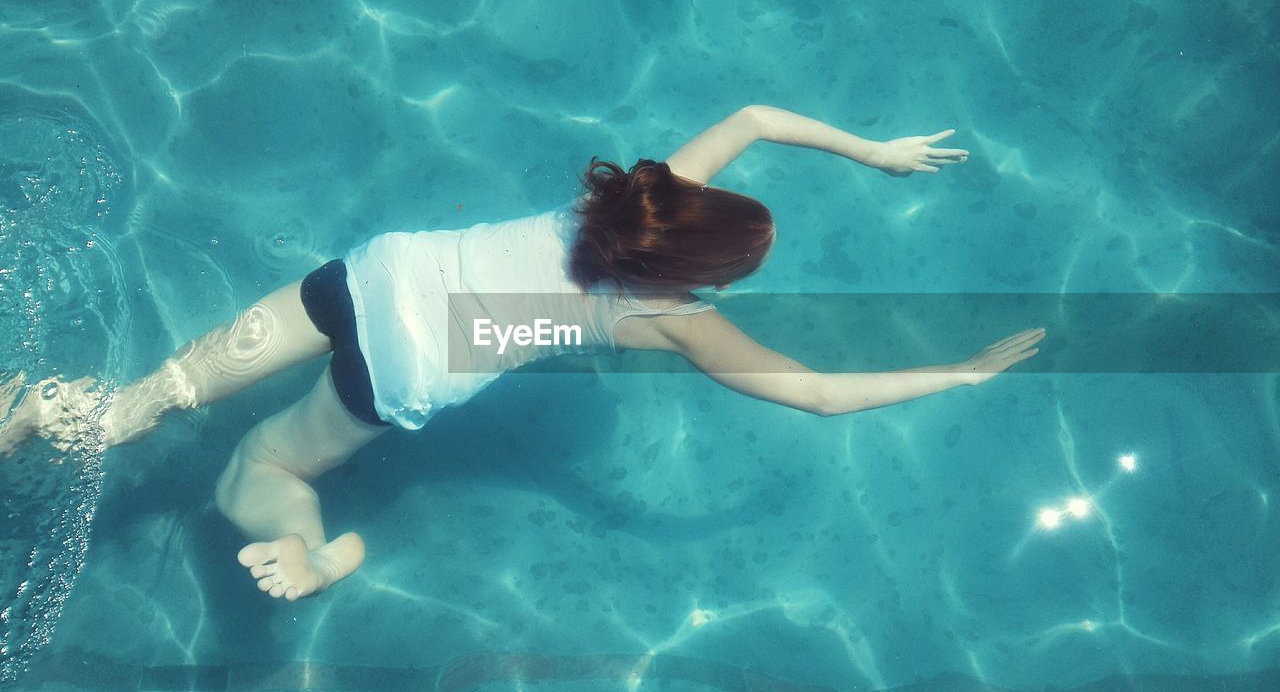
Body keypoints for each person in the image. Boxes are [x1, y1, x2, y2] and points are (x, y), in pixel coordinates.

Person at [0, 105, 1044, 601]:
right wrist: (954, 371)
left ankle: (45, 411)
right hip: (412, 361)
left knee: (165, 389)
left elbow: (757, 115)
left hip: (369, 277)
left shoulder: (637, 194)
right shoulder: (671, 312)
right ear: (707, 275)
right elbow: (812, 394)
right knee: (254, 472)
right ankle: (311, 547)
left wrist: (871, 149)